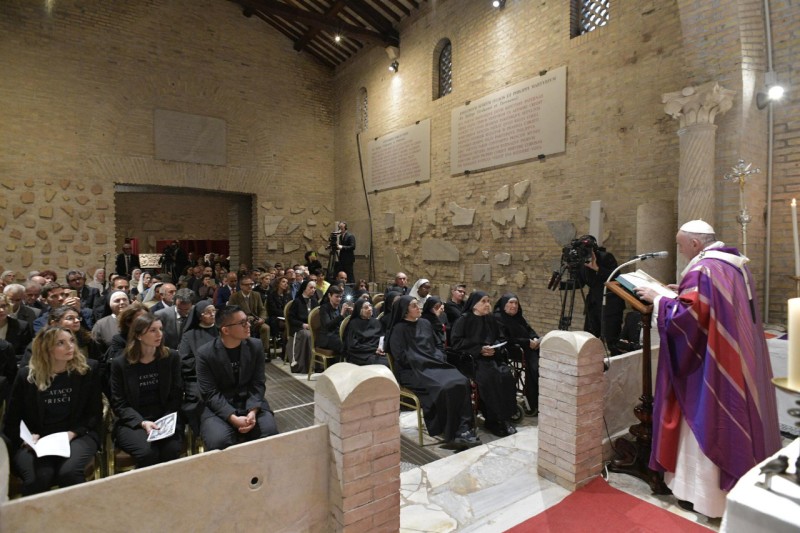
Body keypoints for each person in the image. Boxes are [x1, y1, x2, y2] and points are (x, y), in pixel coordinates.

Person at [635, 220, 780, 518]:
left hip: (707, 367)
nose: (680, 250)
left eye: (681, 245)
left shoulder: (704, 269)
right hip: (731, 356)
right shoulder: (732, 265)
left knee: (706, 421)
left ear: (695, 243)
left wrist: (659, 299)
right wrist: (679, 292)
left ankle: (702, 497)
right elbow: (711, 307)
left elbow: (689, 318)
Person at [3, 327, 102, 495]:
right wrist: (25, 439)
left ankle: (78, 511)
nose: (70, 346)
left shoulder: (87, 370)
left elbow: (94, 414)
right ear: (46, 348)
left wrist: (73, 433)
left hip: (77, 434)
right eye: (61, 343)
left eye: (71, 341)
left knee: (69, 472)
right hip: (38, 439)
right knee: (39, 477)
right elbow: (12, 419)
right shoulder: (27, 376)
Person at [386, 295, 480, 449]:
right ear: (405, 311)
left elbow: (437, 345)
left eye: (418, 304)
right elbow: (400, 357)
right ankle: (451, 432)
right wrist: (423, 358)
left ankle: (465, 427)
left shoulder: (425, 323)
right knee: (444, 387)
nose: (419, 308)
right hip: (412, 370)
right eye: (414, 306)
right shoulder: (398, 330)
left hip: (433, 365)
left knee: (461, 380)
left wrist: (437, 356)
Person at [195, 306, 278, 450]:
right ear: (226, 330)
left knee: (269, 433)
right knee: (219, 442)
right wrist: (232, 417)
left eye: (248, 321)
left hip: (250, 402)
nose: (248, 325)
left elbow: (258, 383)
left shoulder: (255, 346)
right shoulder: (205, 354)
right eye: (243, 323)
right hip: (219, 407)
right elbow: (210, 393)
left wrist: (252, 411)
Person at [110, 314, 183, 468]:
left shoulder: (171, 357)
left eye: (160, 329)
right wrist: (142, 423)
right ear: (138, 336)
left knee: (171, 450)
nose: (159, 334)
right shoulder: (120, 364)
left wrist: (166, 421)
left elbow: (176, 395)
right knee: (147, 453)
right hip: (134, 421)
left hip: (164, 417)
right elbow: (119, 404)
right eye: (153, 330)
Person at [450, 291, 518, 437]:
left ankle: (505, 416)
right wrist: (479, 350)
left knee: (506, 376)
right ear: (474, 305)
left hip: (492, 358)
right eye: (483, 301)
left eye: (488, 301)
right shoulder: (464, 320)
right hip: (472, 361)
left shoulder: (490, 319)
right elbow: (456, 343)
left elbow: (499, 338)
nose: (487, 304)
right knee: (490, 379)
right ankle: (493, 420)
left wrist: (494, 348)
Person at [572, 235, 625, 350]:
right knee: (589, 339)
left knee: (611, 341)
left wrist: (597, 268)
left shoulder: (605, 257)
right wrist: (560, 284)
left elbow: (616, 277)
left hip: (610, 305)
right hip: (593, 305)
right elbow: (580, 283)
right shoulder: (582, 261)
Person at [494, 293, 540, 415]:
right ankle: (534, 400)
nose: (514, 306)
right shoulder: (498, 318)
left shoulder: (519, 317)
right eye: (511, 303)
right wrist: (527, 342)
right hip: (514, 350)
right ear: (504, 305)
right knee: (536, 368)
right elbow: (505, 339)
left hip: (529, 348)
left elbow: (529, 330)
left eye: (516, 303)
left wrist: (535, 338)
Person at [178, 300, 218, 433]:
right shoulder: (189, 335)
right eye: (208, 312)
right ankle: (205, 429)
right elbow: (185, 360)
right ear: (200, 316)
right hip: (197, 378)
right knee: (201, 398)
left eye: (213, 311)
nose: (212, 314)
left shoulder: (221, 329)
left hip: (222, 374)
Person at [286, 279, 319, 373]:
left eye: (314, 288)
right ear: (304, 288)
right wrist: (302, 325)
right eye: (311, 287)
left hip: (311, 327)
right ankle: (305, 365)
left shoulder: (315, 301)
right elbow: (291, 318)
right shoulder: (297, 301)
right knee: (307, 335)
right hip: (299, 327)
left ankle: (318, 365)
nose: (313, 290)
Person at [343, 299, 387, 366]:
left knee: (394, 360)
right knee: (385, 364)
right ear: (359, 310)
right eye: (366, 308)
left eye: (370, 306)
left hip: (378, 351)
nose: (370, 309)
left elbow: (382, 337)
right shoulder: (353, 324)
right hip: (361, 354)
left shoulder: (376, 322)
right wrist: (374, 350)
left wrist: (381, 347)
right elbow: (353, 346)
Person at [316, 285, 353, 356]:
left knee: (353, 340)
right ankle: (344, 361)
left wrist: (351, 314)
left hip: (338, 334)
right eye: (337, 296)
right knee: (344, 344)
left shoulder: (340, 307)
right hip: (327, 337)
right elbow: (328, 326)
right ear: (329, 296)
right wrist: (341, 315)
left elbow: (346, 324)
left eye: (340, 297)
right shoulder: (324, 308)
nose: (339, 299)